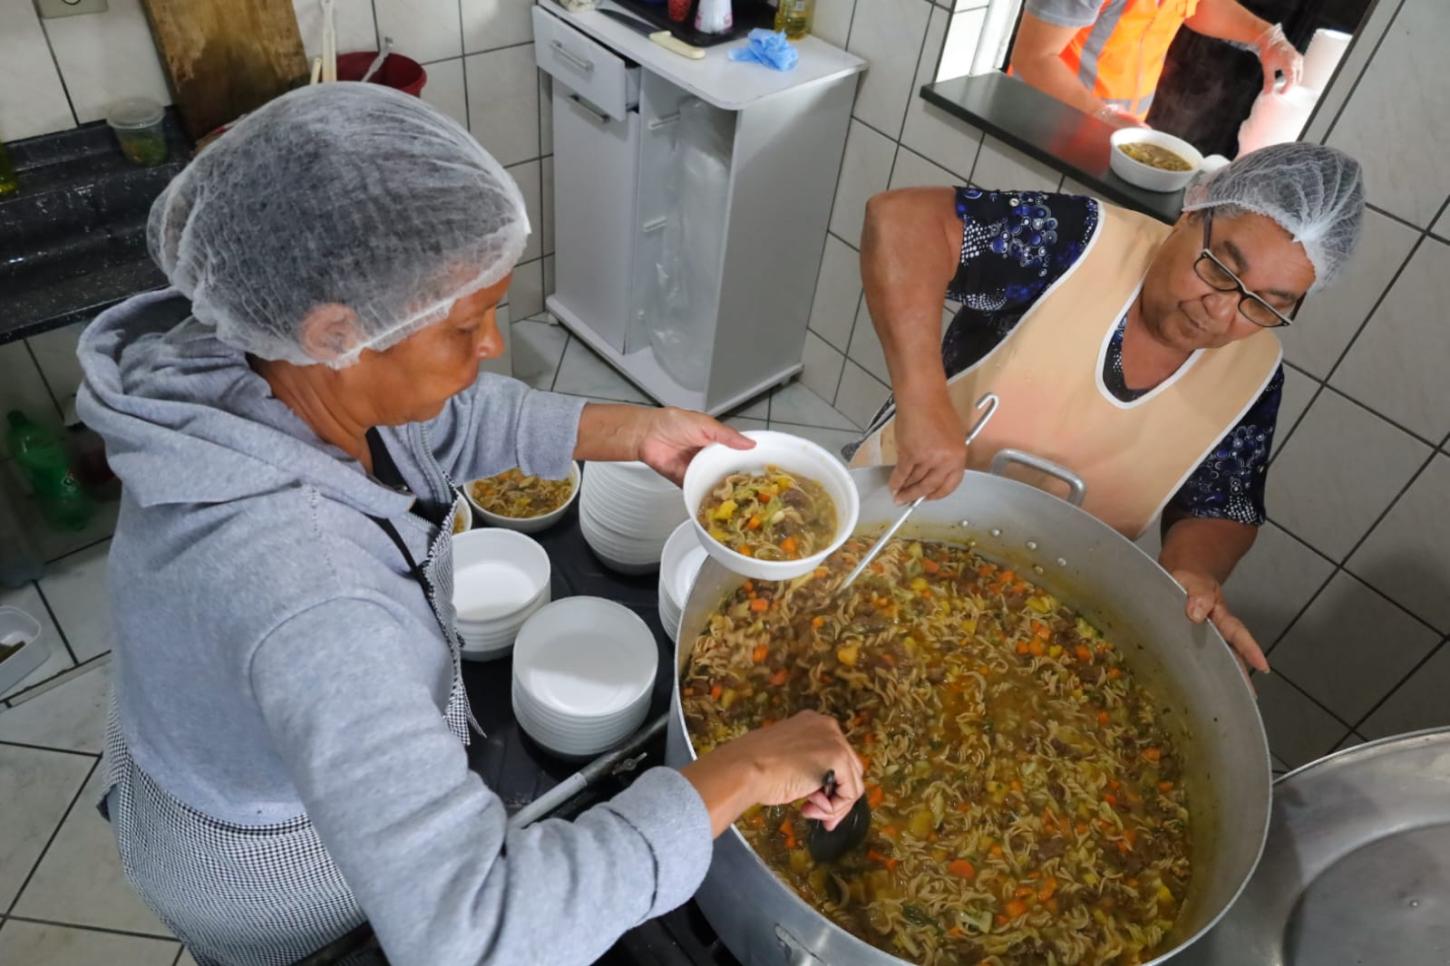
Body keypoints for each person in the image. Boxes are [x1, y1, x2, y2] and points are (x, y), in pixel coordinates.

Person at [77, 84, 863, 966]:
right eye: (464, 325)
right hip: (279, 871)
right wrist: (745, 769)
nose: (491, 345)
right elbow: (475, 931)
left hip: (223, 754)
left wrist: (633, 432)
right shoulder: (312, 597)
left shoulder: (255, 358)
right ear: (334, 332)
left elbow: (423, 424)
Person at [848, 143, 1363, 673]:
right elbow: (901, 223)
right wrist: (922, 398)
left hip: (1041, 608)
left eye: (1263, 304)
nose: (1221, 310)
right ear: (1192, 213)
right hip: (892, 520)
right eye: (1219, 269)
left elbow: (1221, 507)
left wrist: (1191, 571)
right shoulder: (1078, 243)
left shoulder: (1255, 374)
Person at [1011, 0, 1305, 126]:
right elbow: (1033, 58)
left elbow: (1197, 5)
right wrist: (1099, 115)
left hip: (1109, 131)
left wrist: (1265, 38)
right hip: (1045, 124)